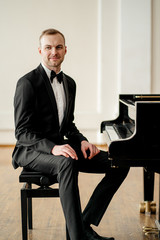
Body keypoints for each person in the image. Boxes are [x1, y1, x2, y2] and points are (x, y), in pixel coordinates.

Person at [12, 28, 129, 240]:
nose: (53, 52)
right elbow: (22, 133)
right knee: (66, 162)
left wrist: (82, 141)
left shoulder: (69, 83)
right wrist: (53, 148)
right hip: (31, 150)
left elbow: (68, 126)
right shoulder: (27, 83)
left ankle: (84, 224)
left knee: (119, 162)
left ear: (65, 50)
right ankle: (78, 237)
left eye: (58, 47)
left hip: (60, 146)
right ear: (40, 51)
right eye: (48, 47)